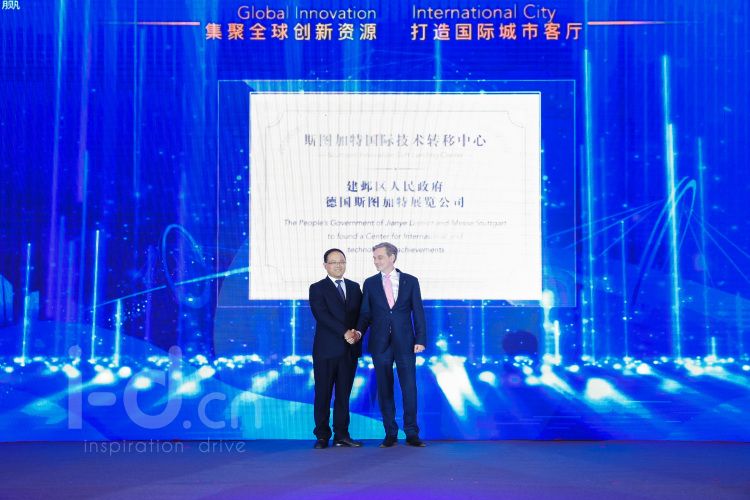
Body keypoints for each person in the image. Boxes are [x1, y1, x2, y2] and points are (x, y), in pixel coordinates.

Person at [356, 242, 427, 447]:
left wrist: (420, 339)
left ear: (392, 257)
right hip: (380, 343)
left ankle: (412, 433)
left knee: (409, 388)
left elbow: (418, 311)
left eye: (379, 257)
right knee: (384, 388)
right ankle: (390, 433)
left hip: (405, 342)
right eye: (374, 258)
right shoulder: (370, 283)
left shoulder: (410, 281)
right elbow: (365, 313)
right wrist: (359, 331)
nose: (376, 261)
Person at [308, 248, 364, 449]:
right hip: (326, 351)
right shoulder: (317, 288)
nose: (338, 265)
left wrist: (357, 333)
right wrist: (345, 332)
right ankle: (322, 436)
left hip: (349, 350)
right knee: (323, 394)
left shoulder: (355, 287)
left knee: (343, 395)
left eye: (341, 261)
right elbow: (321, 315)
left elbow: (362, 314)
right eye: (333, 262)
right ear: (325, 265)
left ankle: (342, 435)